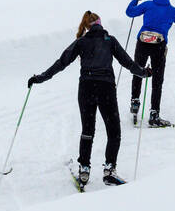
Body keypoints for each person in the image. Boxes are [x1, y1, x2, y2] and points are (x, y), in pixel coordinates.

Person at [29, 11, 150, 186]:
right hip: (106, 89)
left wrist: (41, 77)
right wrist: (144, 72)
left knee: (88, 130)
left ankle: (84, 169)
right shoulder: (110, 41)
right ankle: (109, 170)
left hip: (86, 88)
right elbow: (128, 63)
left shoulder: (81, 42)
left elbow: (61, 62)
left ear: (86, 26)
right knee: (113, 131)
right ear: (100, 24)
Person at [124, 0, 175, 127]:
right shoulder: (172, 10)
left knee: (138, 72)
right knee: (157, 80)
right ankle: (154, 115)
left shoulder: (148, 4)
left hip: (142, 42)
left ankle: (135, 102)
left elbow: (130, 12)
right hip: (159, 45)